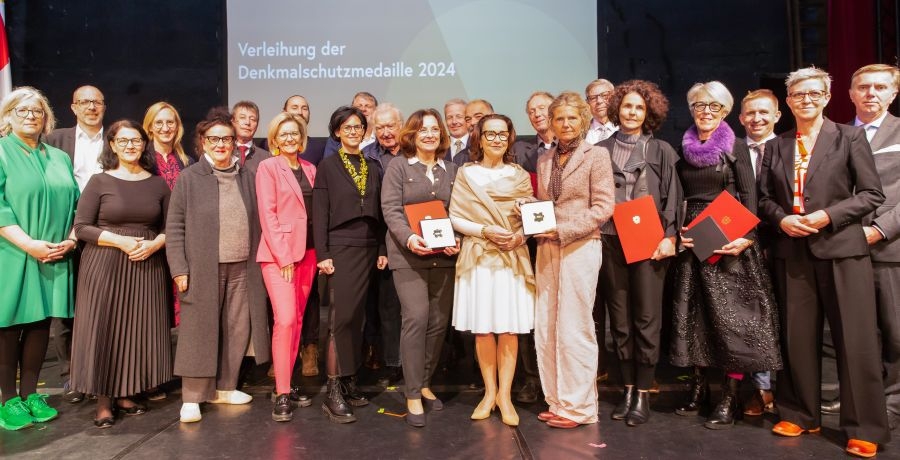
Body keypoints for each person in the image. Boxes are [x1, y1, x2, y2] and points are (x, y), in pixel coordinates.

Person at [759, 67, 888, 458]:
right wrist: (782, 218)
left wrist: (828, 216)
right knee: (797, 338)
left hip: (842, 251)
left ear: (828, 97)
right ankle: (800, 413)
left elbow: (870, 195)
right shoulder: (776, 145)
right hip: (794, 251)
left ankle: (863, 426)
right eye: (799, 94)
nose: (807, 100)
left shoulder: (849, 137)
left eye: (815, 94)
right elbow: (763, 199)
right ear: (789, 100)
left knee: (856, 341)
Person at [671, 81, 782, 430]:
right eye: (699, 105)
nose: (705, 111)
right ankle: (700, 390)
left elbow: (749, 197)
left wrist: (745, 238)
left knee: (731, 322)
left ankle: (730, 397)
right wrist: (678, 233)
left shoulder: (735, 147)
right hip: (693, 241)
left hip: (728, 242)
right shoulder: (684, 148)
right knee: (696, 319)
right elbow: (678, 195)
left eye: (714, 106)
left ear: (725, 111)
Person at [166, 109, 271, 423]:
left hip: (243, 267)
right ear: (203, 142)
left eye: (227, 138)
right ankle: (193, 397)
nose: (221, 144)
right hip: (202, 268)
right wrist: (179, 269)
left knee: (238, 328)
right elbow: (175, 227)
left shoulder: (248, 176)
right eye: (214, 139)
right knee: (199, 330)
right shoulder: (189, 178)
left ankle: (225, 387)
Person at [70, 120, 171, 428]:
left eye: (136, 140)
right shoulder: (100, 181)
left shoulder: (157, 183)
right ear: (112, 145)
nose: (131, 146)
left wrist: (153, 246)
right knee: (106, 329)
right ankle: (103, 401)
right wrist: (121, 241)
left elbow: (171, 226)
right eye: (124, 141)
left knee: (138, 330)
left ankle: (127, 393)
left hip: (146, 264)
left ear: (145, 144)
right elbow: (82, 227)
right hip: (105, 263)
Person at [597, 80, 681, 426]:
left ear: (649, 113)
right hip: (610, 239)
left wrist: (670, 236)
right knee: (620, 321)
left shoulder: (661, 150)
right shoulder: (599, 149)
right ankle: (628, 387)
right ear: (617, 109)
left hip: (649, 241)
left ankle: (644, 392)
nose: (631, 112)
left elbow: (674, 199)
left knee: (647, 319)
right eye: (627, 106)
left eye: (639, 108)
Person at [533, 91, 614, 429]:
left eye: (571, 118)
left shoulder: (597, 156)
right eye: (559, 118)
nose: (565, 124)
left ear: (582, 120)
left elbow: (603, 207)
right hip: (547, 247)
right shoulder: (545, 159)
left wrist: (563, 230)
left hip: (581, 245)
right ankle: (557, 400)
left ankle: (580, 407)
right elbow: (542, 204)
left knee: (575, 326)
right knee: (547, 325)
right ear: (551, 123)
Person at [0, 87, 79, 431]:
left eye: (37, 111)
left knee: (39, 327)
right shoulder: (1, 152)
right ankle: (7, 400)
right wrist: (29, 243)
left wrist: (72, 240)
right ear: (8, 117)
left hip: (55, 254)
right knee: (8, 327)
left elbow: (78, 204)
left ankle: (31, 394)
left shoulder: (58, 157)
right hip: (14, 253)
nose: (31, 116)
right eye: (23, 110)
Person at [450, 114, 534, 427]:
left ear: (509, 137)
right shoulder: (466, 173)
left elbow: (532, 217)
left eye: (502, 133)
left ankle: (506, 397)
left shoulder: (520, 175)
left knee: (509, 328)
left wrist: (520, 236)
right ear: (480, 138)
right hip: (478, 256)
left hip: (511, 256)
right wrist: (485, 230)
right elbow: (455, 216)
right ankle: (489, 392)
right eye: (490, 134)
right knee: (484, 328)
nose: (496, 139)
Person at [382, 108, 459, 427]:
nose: (429, 134)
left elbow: (458, 210)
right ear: (411, 135)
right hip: (408, 255)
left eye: (434, 129)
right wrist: (410, 238)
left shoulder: (451, 169)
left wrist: (458, 239)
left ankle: (425, 382)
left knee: (439, 323)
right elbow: (390, 209)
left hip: (445, 255)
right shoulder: (399, 166)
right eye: (422, 130)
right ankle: (412, 392)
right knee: (416, 318)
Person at [314, 106, 388, 424]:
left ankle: (348, 380)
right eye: (347, 127)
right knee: (340, 320)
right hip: (340, 248)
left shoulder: (373, 166)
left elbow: (382, 211)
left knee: (357, 319)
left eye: (358, 126)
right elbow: (319, 212)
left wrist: (383, 247)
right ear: (337, 132)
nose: (354, 131)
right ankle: (332, 391)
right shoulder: (328, 166)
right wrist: (323, 253)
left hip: (369, 246)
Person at [45, 84, 107, 404]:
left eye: (96, 102)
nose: (91, 107)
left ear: (104, 106)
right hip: (66, 232)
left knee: (102, 307)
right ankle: (71, 374)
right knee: (67, 308)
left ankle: (101, 369)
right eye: (84, 102)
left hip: (106, 233)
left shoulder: (116, 140)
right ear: (73, 107)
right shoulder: (54, 141)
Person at [256, 112, 317, 422]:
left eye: (295, 133)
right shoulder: (268, 167)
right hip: (280, 257)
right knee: (286, 320)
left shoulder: (310, 168)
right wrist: (284, 257)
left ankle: (287, 382)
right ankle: (281, 393)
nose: (291, 138)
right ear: (275, 139)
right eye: (285, 134)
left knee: (298, 322)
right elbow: (268, 214)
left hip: (309, 255)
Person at [850, 63, 900, 430]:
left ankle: (894, 402)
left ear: (893, 93)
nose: (871, 93)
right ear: (850, 93)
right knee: (858, 331)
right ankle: (862, 400)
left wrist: (881, 229)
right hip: (843, 249)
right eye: (863, 87)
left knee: (895, 330)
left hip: (889, 248)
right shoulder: (835, 135)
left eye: (880, 87)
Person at [737, 88, 782, 417]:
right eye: (750, 113)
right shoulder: (732, 150)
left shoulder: (791, 146)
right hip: (743, 243)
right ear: (740, 118)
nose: (757, 119)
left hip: (787, 240)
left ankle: (791, 392)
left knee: (789, 319)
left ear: (777, 116)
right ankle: (761, 388)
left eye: (764, 112)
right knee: (753, 318)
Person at [510, 91, 556, 404]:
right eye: (531, 110)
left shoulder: (577, 148)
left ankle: (557, 378)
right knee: (529, 314)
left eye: (542, 108)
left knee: (558, 313)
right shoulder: (521, 153)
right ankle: (532, 379)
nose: (537, 113)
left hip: (564, 240)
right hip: (530, 243)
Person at [363, 103, 405, 385]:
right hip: (376, 239)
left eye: (391, 126)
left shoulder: (413, 152)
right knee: (379, 305)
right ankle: (384, 359)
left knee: (403, 307)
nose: (386, 132)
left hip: (409, 236)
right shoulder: (367, 156)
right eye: (380, 127)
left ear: (401, 126)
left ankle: (405, 362)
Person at [231, 100, 271, 174]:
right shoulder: (223, 152)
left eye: (253, 119)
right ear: (233, 121)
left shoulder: (267, 158)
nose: (247, 122)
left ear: (257, 125)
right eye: (242, 117)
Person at [584, 79, 617, 144]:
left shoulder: (625, 127)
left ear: (614, 97)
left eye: (604, 95)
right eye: (593, 98)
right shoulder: (581, 132)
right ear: (587, 103)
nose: (599, 101)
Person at [444, 98, 469, 166]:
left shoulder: (478, 145)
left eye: (459, 117)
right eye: (449, 117)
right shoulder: (439, 146)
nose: (454, 122)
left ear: (467, 119)